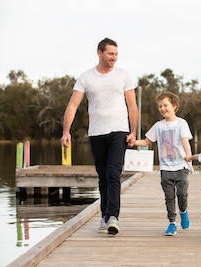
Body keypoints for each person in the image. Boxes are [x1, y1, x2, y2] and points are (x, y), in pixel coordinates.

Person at [61, 38, 138, 235]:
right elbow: (73, 105)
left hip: (119, 131)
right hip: (96, 133)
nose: (114, 57)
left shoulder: (124, 75)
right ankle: (105, 217)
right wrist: (66, 131)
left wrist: (134, 131)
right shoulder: (86, 77)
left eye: (116, 54)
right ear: (99, 53)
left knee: (113, 173)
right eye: (111, 54)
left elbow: (132, 106)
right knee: (103, 176)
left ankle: (113, 216)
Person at [134, 91, 193, 236]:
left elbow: (185, 141)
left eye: (165, 105)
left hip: (181, 166)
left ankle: (183, 211)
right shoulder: (158, 126)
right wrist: (134, 142)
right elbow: (147, 142)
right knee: (169, 196)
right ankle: (172, 223)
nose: (163, 109)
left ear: (174, 106)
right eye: (160, 106)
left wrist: (189, 155)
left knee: (182, 193)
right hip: (165, 168)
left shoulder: (181, 123)